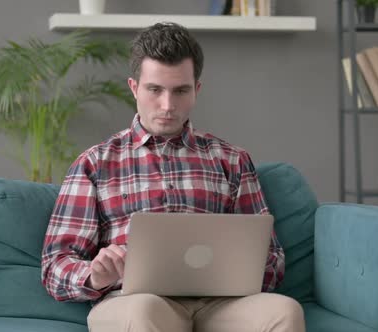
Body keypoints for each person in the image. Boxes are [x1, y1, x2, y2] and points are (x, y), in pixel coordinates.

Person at [41, 22, 305, 332]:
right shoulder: (95, 163)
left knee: (284, 311)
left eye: (180, 90)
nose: (167, 106)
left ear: (197, 90)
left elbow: (272, 259)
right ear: (134, 87)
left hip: (221, 304)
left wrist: (243, 269)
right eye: (155, 89)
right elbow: (55, 266)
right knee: (143, 312)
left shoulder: (232, 160)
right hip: (132, 299)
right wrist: (96, 275)